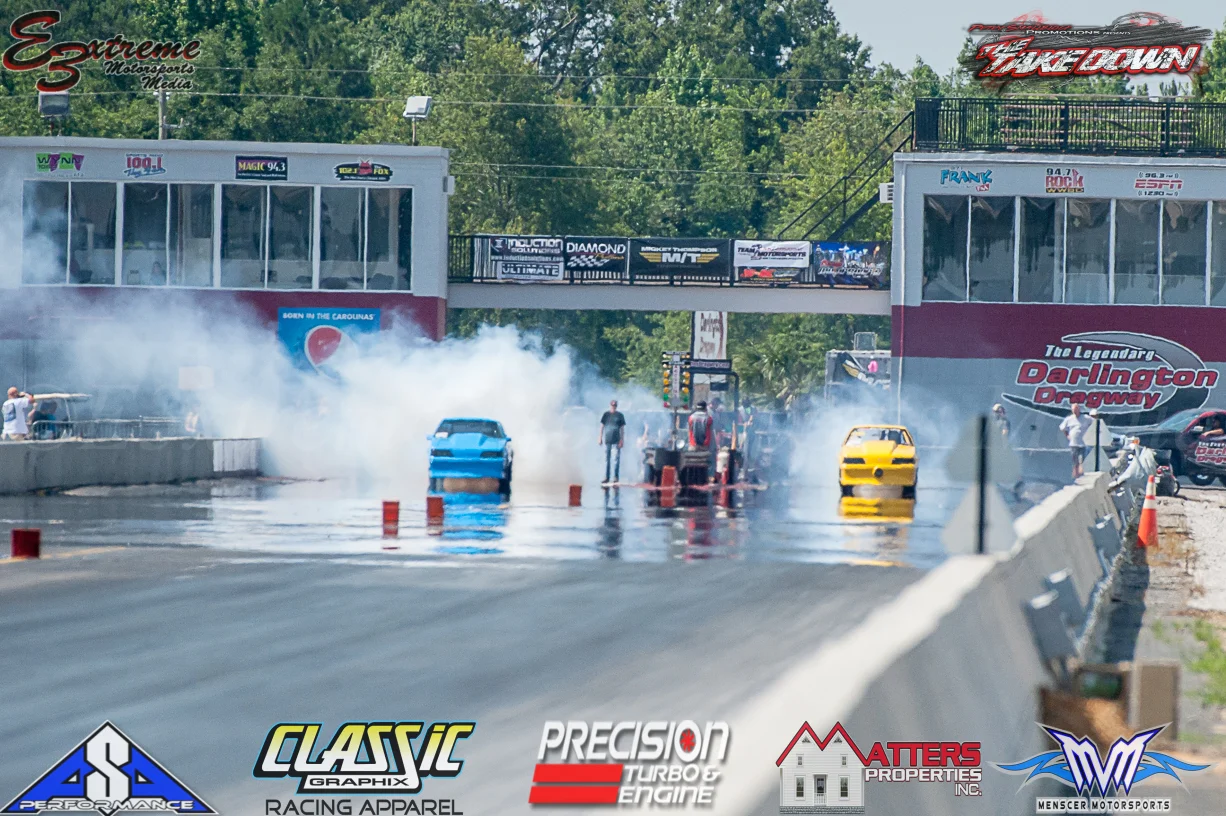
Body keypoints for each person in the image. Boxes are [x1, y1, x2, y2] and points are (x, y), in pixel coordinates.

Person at [1059, 403, 1093, 479]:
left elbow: (1095, 423)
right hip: (1073, 444)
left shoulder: (1086, 418)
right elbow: (1062, 428)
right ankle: (1076, 476)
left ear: (1079, 409)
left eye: (1076, 409)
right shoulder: (1069, 419)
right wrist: (1067, 435)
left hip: (1083, 443)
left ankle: (1082, 475)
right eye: (1073, 410)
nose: (1075, 411)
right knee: (1075, 461)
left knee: (1083, 460)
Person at [598, 399, 626, 484]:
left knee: (616, 459)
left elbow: (622, 429)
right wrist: (600, 437)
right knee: (607, 459)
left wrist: (622, 440)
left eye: (615, 405)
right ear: (610, 405)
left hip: (616, 440)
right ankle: (606, 477)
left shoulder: (620, 415)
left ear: (616, 406)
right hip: (607, 440)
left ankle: (615, 477)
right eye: (612, 405)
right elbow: (602, 427)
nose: (613, 407)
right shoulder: (606, 414)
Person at [687, 401, 716, 481]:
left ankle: (692, 480)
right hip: (705, 446)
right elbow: (709, 434)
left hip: (693, 445)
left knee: (692, 464)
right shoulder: (709, 419)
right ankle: (704, 480)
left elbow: (690, 431)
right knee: (705, 464)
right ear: (705, 408)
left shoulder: (691, 417)